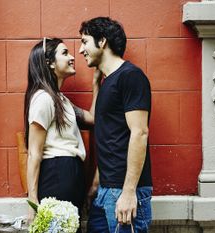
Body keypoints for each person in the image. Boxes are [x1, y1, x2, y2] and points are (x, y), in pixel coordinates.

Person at [78, 17, 153, 233]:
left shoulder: (130, 76)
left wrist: (129, 192)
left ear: (102, 41)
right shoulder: (107, 83)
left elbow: (139, 133)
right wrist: (95, 184)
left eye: (85, 41)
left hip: (125, 192)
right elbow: (111, 139)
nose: (82, 49)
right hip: (105, 191)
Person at [24, 37, 100, 232]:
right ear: (49, 63)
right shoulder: (43, 99)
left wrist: (96, 84)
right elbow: (34, 153)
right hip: (56, 173)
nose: (72, 57)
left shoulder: (60, 99)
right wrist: (32, 200)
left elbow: (92, 119)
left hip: (70, 173)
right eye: (65, 53)